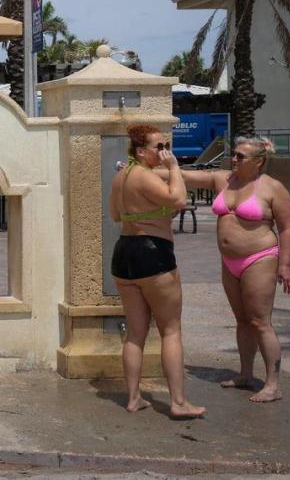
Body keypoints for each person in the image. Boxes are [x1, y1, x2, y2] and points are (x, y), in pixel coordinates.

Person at [170, 136, 290, 402]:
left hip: (259, 258)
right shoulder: (223, 180)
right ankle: (246, 374)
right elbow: (183, 176)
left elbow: (286, 228)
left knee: (260, 321)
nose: (234, 159)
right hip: (229, 262)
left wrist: (285, 264)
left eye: (240, 156)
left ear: (259, 161)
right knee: (241, 320)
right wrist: (140, 168)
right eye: (234, 155)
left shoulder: (272, 188)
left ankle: (273, 384)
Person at [108, 124, 206, 418]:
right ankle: (178, 403)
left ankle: (134, 398)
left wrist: (149, 211)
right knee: (171, 329)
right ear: (140, 151)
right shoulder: (142, 175)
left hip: (124, 253)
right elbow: (178, 200)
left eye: (166, 146)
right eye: (159, 147)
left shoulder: (121, 176)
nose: (165, 152)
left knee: (135, 332)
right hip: (153, 253)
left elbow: (115, 214)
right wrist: (174, 168)